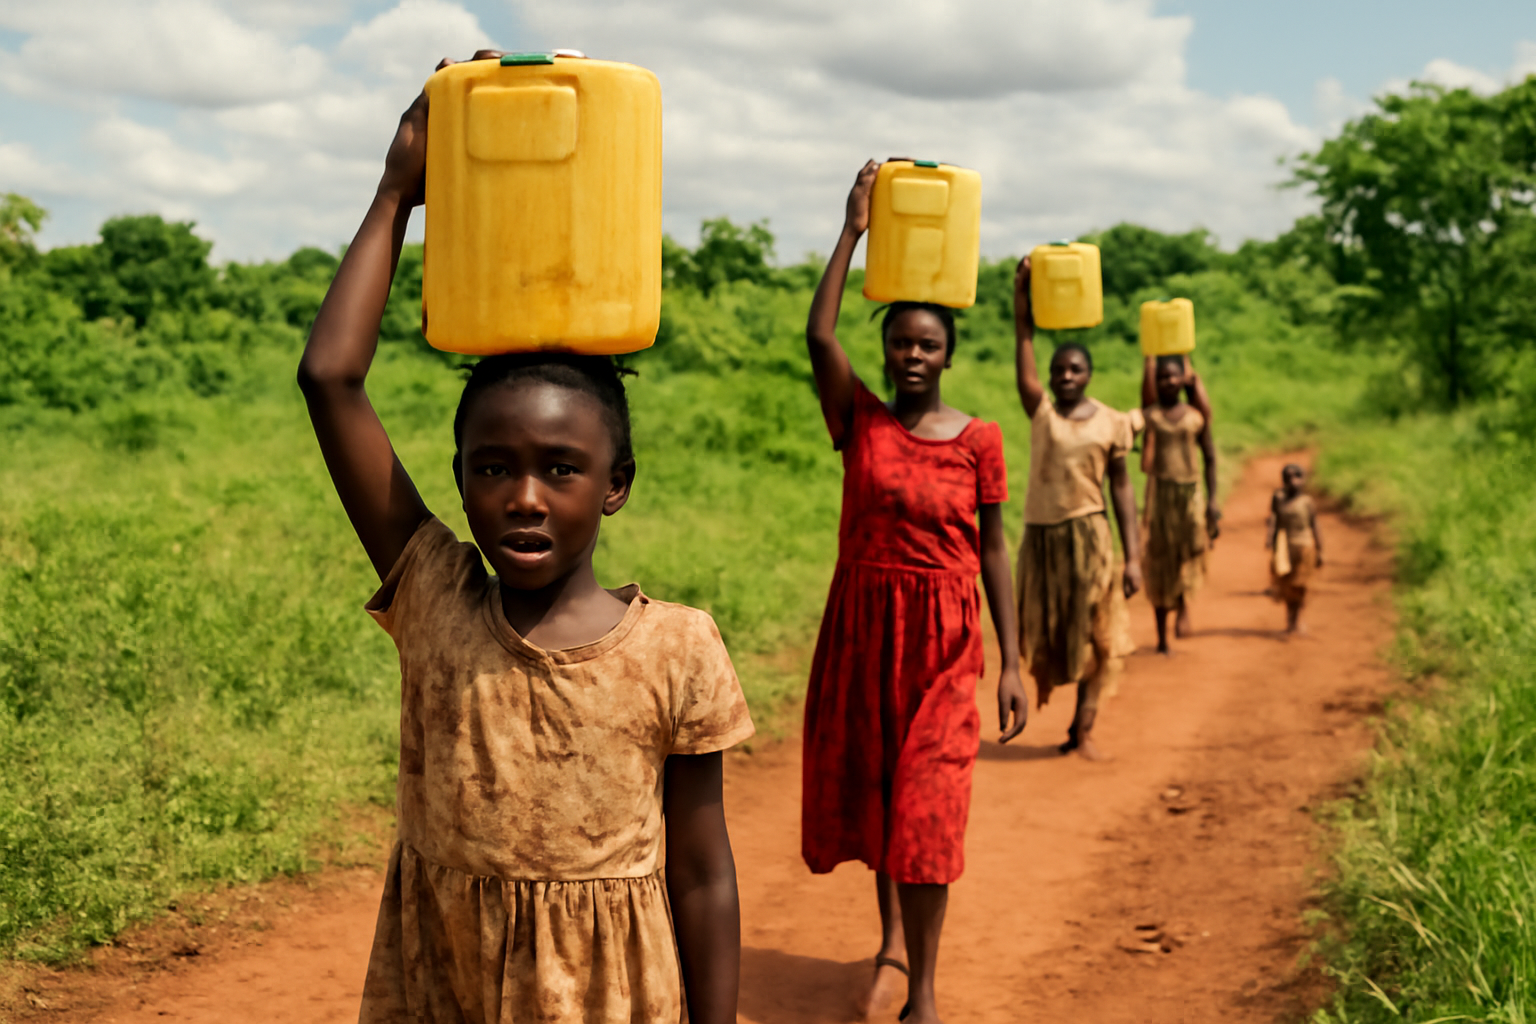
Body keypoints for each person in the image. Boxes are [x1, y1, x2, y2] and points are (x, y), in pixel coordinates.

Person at [296, 55, 753, 1024]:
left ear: (616, 485)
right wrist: (395, 193)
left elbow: (705, 874)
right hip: (445, 983)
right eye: (493, 467)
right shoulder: (433, 590)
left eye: (561, 467)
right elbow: (329, 379)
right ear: (458, 478)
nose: (526, 498)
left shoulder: (679, 647)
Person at [800, 160, 1028, 1024]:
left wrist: (1013, 660)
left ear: (947, 353)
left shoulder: (981, 440)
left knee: (928, 810)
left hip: (945, 644)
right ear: (889, 350)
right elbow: (821, 339)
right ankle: (889, 935)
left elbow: (996, 552)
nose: (914, 355)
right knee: (880, 797)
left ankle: (923, 989)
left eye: (928, 344)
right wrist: (853, 229)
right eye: (901, 343)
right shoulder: (859, 421)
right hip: (864, 632)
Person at [1012, 257, 1142, 761]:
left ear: (1089, 374)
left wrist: (1132, 557)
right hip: (1042, 540)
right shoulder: (1041, 412)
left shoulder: (1111, 423)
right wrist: (1021, 298)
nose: (1066, 376)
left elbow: (1124, 492)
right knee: (1046, 632)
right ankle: (1070, 720)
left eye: (1075, 369)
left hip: (1090, 538)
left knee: (1098, 633)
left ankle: (1083, 729)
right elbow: (1022, 343)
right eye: (1058, 370)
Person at [1138, 354, 1219, 653]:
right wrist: (1149, 360)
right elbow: (1144, 397)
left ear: (1183, 378)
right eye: (1162, 377)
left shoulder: (1196, 418)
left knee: (1188, 552)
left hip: (1190, 494)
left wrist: (1213, 500)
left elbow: (1210, 458)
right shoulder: (1152, 416)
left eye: (1174, 376)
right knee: (1160, 558)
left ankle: (1183, 604)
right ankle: (1162, 634)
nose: (1169, 381)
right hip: (1160, 497)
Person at [1266, 463, 1324, 635]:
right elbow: (1274, 521)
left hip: (1304, 547)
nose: (1293, 481)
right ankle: (1290, 619)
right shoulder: (1278, 498)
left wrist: (1320, 550)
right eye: (1288, 477)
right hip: (1285, 547)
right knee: (1286, 585)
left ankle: (1297, 618)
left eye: (1297, 476)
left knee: (1301, 585)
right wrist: (1272, 542)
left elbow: (1315, 525)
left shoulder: (1307, 502)